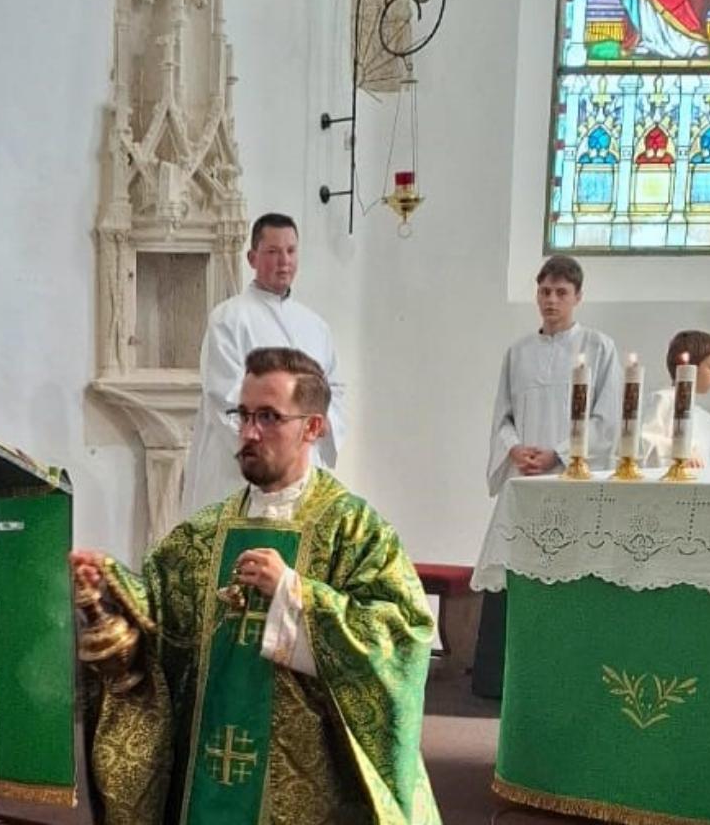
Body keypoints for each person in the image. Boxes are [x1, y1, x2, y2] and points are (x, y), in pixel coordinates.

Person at [72, 347, 439, 825]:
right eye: (242, 415)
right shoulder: (202, 533)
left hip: (310, 787)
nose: (248, 433)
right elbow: (160, 621)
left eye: (268, 417)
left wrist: (293, 593)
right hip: (208, 768)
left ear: (312, 427)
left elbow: (402, 636)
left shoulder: (353, 529)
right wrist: (109, 589)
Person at [474, 253, 621, 697]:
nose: (551, 300)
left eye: (560, 292)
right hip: (524, 482)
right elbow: (502, 415)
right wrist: (514, 448)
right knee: (512, 572)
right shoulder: (518, 352)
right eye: (544, 291)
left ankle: (567, 678)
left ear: (578, 297)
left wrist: (558, 453)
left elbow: (606, 419)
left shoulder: (598, 348)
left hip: (570, 482)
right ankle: (500, 679)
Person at [181, 212, 346, 515]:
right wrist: (275, 449)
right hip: (244, 474)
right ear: (252, 258)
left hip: (303, 471)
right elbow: (225, 396)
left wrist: (314, 430)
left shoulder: (315, 326)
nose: (284, 261)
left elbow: (333, 391)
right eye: (272, 252)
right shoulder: (229, 319)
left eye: (291, 251)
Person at [642, 329, 710, 468]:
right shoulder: (664, 399)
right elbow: (644, 442)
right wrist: (681, 451)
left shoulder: (708, 420)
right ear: (690, 367)